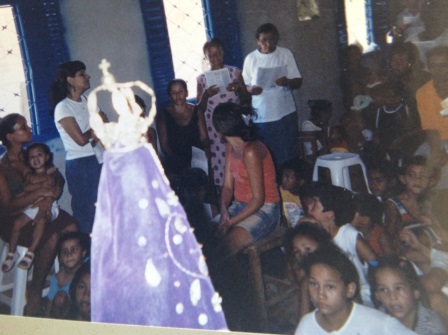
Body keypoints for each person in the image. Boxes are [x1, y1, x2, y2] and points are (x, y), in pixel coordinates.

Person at [0, 113, 78, 316]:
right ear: (10, 136)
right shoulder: (2, 167)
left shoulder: (32, 154)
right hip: (14, 219)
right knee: (52, 237)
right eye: (22, 127)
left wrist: (49, 199)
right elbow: (7, 207)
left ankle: (63, 285)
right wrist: (39, 194)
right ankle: (35, 290)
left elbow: (57, 178)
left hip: (43, 206)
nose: (29, 128)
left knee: (72, 228)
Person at [295, 246, 416, 335]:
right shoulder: (307, 326)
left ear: (350, 290)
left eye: (330, 287)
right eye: (313, 284)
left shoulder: (377, 324)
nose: (320, 294)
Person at [212, 102, 280, 257]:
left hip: (266, 209)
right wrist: (224, 212)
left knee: (225, 247)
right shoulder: (231, 147)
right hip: (240, 206)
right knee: (204, 237)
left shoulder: (251, 151)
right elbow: (227, 187)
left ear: (220, 131)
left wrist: (230, 222)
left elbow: (258, 199)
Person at [50, 60, 107, 234]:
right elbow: (81, 140)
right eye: (82, 74)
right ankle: (87, 252)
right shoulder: (63, 108)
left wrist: (98, 126)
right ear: (70, 80)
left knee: (104, 206)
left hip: (99, 157)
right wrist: (96, 127)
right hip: (81, 165)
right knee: (87, 211)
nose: (88, 76)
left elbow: (104, 120)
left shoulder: (85, 99)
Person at [305, 183, 377, 306]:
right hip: (334, 291)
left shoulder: (349, 235)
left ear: (330, 214)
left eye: (315, 204)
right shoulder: (317, 235)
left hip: (361, 295)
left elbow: (375, 262)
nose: (309, 207)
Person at [242, 23, 302, 167]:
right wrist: (252, 90)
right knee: (268, 156)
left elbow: (298, 81)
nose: (268, 44)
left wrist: (286, 81)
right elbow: (245, 86)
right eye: (264, 40)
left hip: (285, 111)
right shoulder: (251, 59)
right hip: (263, 114)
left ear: (277, 39)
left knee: (288, 153)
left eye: (272, 39)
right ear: (258, 41)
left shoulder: (285, 54)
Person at [196, 38, 250, 189]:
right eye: (210, 55)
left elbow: (246, 100)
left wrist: (239, 89)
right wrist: (206, 94)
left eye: (217, 54)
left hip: (234, 124)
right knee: (219, 160)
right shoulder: (202, 79)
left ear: (223, 53)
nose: (215, 58)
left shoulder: (235, 72)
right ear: (206, 57)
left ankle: (243, 186)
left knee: (238, 154)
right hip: (214, 128)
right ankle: (224, 190)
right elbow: (199, 109)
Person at [2, 143, 60, 272]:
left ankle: (31, 252)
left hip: (49, 207)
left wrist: (41, 193)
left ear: (47, 157)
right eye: (32, 157)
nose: (35, 158)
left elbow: (51, 194)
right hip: (32, 206)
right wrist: (41, 189)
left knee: (42, 220)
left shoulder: (50, 175)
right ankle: (12, 253)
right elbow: (26, 187)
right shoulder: (31, 176)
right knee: (17, 224)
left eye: (39, 155)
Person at [368, 255, 446, 335]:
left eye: (399, 288)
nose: (392, 297)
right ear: (377, 296)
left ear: (415, 292)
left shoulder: (432, 326)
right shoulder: (375, 321)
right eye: (383, 290)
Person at [156, 79, 209, 176]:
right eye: (173, 92)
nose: (178, 95)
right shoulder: (162, 115)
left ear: (187, 93)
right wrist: (180, 163)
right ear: (169, 96)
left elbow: (204, 137)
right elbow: (164, 146)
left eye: (181, 91)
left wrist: (206, 152)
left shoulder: (197, 110)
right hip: (175, 161)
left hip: (197, 159)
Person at [285, 222, 334, 319]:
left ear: (322, 246)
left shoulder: (337, 271)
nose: (303, 255)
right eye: (297, 252)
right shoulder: (305, 282)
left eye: (308, 249)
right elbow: (303, 321)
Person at [384, 156, 438, 245]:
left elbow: (438, 229)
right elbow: (389, 236)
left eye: (423, 176)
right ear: (403, 179)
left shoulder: (427, 202)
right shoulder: (394, 205)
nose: (418, 180)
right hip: (409, 251)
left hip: (430, 248)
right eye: (412, 175)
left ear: (430, 181)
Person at [44, 231, 89, 319]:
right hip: (56, 317)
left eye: (74, 250)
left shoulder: (82, 278)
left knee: (61, 298)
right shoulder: (57, 277)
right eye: (65, 251)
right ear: (60, 258)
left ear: (83, 253)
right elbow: (49, 303)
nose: (69, 254)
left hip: (75, 317)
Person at [416, 46, 448, 141]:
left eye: (443, 65)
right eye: (434, 66)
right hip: (440, 143)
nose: (439, 70)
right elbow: (431, 130)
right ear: (429, 68)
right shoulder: (423, 93)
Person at [279, 158, 311, 227]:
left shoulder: (308, 196)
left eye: (288, 178)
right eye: (283, 176)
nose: (284, 180)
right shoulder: (281, 191)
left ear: (301, 181)